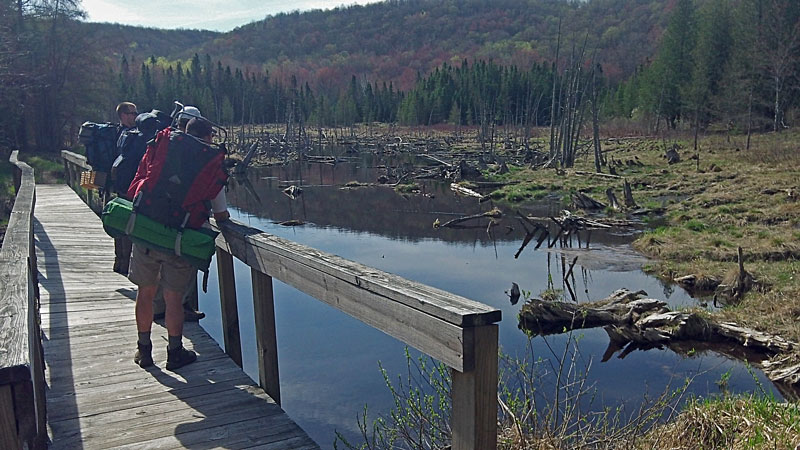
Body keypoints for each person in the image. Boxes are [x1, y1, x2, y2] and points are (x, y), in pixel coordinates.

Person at [128, 117, 229, 370]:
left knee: (146, 292)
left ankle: (144, 351)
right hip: (180, 238)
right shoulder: (210, 161)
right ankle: (174, 353)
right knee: (173, 299)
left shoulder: (165, 145)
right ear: (208, 137)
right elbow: (221, 214)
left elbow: (140, 179)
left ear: (185, 131)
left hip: (147, 231)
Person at [151, 105, 207, 323]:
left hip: (154, 218)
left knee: (156, 270)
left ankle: (156, 311)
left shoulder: (165, 142)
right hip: (183, 224)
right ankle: (176, 336)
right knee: (179, 276)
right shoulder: (198, 153)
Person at [111, 101, 138, 275]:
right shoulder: (131, 136)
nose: (136, 116)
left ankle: (119, 262)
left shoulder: (117, 133)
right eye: (133, 113)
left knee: (119, 225)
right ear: (123, 115)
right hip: (128, 188)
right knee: (128, 227)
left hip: (118, 186)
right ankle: (126, 265)